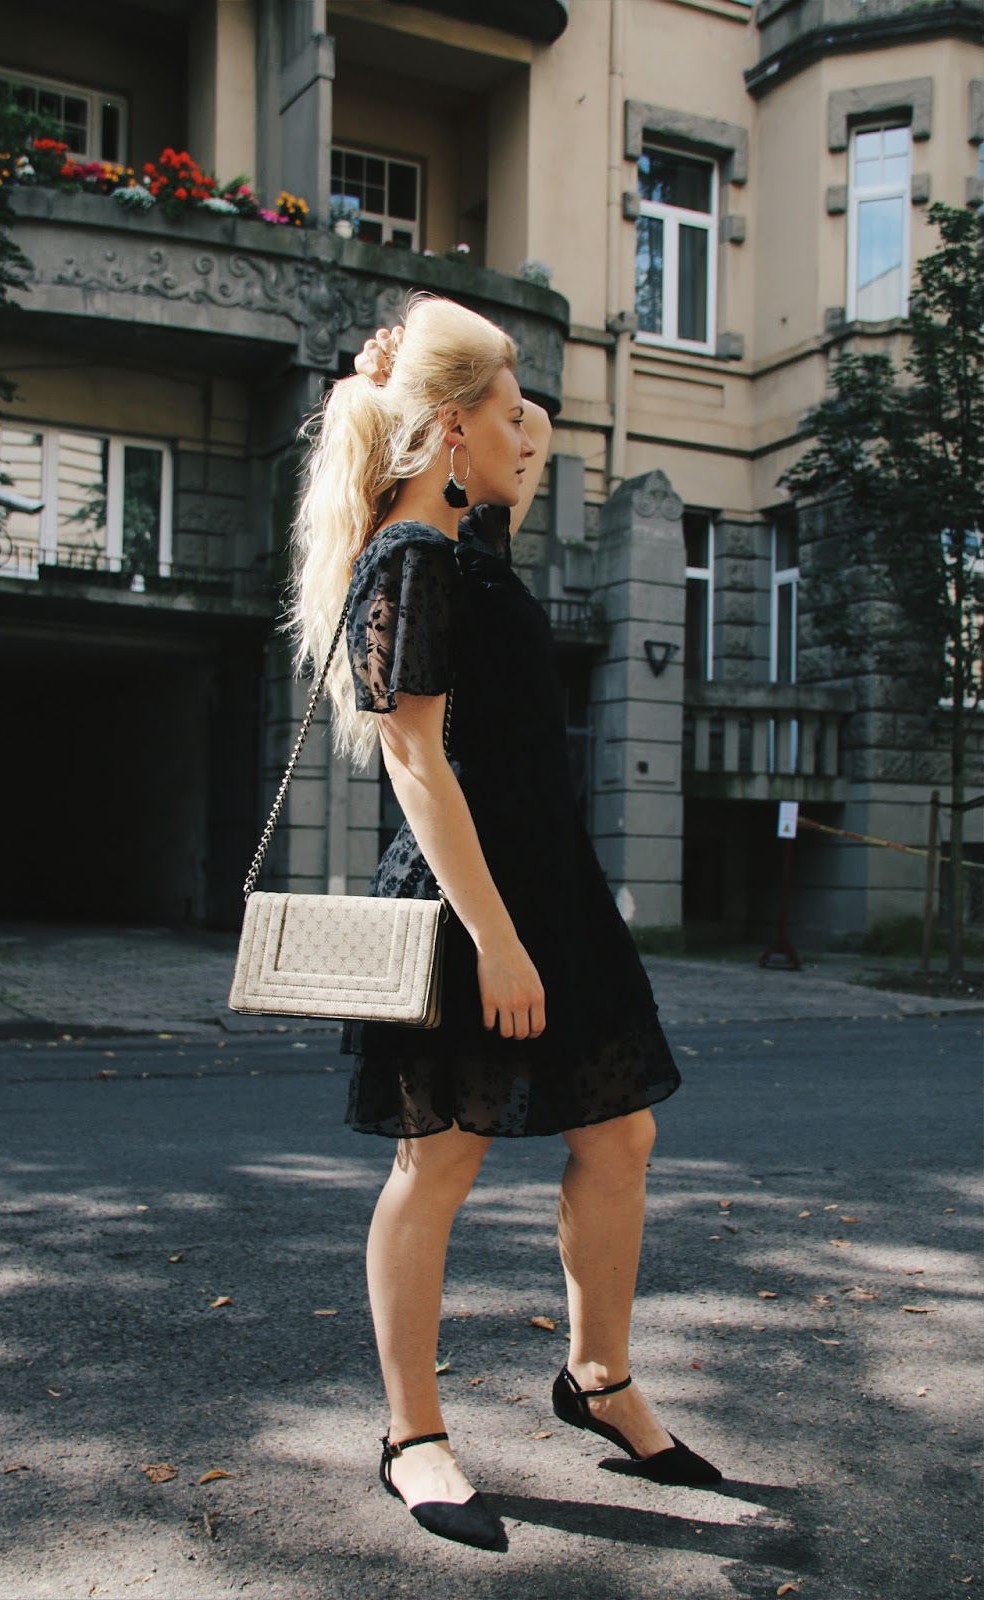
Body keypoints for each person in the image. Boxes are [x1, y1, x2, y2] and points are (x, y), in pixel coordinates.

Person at [288, 294, 720, 1552]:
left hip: (550, 893)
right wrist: (498, 940)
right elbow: (414, 761)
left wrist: (495, 437)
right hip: (471, 909)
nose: (529, 433)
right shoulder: (408, 560)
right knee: (440, 1160)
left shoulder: (468, 550)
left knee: (620, 1133)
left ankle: (597, 1378)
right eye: (510, 411)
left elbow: (503, 470)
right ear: (448, 427)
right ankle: (411, 1436)